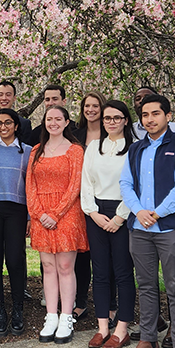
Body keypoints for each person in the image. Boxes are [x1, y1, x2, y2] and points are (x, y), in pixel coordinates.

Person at [119, 94, 175, 348]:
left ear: (168, 115)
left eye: (155, 114)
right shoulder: (135, 149)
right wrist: (139, 211)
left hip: (171, 227)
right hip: (139, 229)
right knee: (147, 286)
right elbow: (126, 183)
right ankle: (149, 341)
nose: (150, 119)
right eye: (145, 115)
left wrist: (157, 213)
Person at [26, 106, 87, 344]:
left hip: (67, 213)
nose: (53, 123)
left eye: (57, 119)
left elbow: (75, 185)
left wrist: (56, 213)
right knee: (48, 267)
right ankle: (51, 315)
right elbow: (29, 185)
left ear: (66, 122)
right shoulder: (36, 151)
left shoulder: (75, 150)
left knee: (64, 266)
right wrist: (39, 214)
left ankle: (66, 316)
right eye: (49, 119)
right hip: (42, 215)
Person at [80, 100, 136, 348]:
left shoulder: (134, 149)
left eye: (116, 117)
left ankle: (122, 328)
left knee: (123, 273)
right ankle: (103, 327)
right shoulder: (94, 147)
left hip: (123, 212)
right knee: (100, 273)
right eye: (106, 118)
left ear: (125, 120)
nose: (111, 122)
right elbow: (86, 182)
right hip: (96, 213)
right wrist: (92, 212)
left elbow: (136, 185)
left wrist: (120, 216)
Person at [0, 108, 32, 336]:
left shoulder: (28, 152)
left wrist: (30, 216)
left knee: (14, 259)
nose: (3, 127)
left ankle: (17, 307)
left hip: (17, 210)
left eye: (8, 123)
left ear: (16, 125)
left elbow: (31, 186)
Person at [71, 92, 105, 322]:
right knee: (81, 254)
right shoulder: (75, 134)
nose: (91, 109)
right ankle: (81, 301)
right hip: (78, 199)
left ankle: (109, 304)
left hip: (105, 199)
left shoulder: (112, 133)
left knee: (104, 255)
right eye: (87, 106)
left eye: (95, 105)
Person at [0, 80, 33, 145]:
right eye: (0, 95)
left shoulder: (24, 124)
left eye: (8, 95)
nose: (4, 98)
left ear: (14, 98)